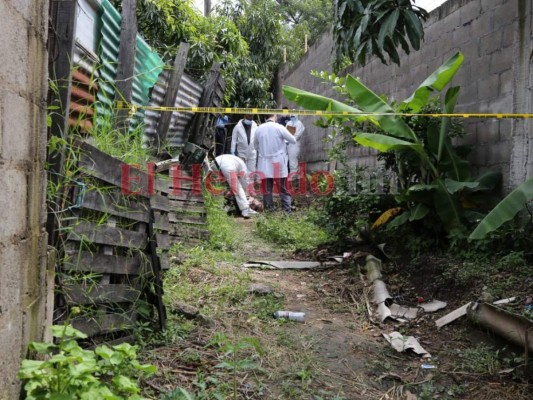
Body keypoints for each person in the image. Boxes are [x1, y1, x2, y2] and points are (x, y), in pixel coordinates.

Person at [254, 113, 296, 213]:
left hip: (264, 163)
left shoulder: (259, 129)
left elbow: (255, 146)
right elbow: (293, 140)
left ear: (265, 117)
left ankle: (269, 212)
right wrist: (284, 142)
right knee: (283, 188)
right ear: (275, 116)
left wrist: (265, 151)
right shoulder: (279, 127)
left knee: (267, 190)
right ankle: (287, 212)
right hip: (278, 163)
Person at [211, 154, 258, 218]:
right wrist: (246, 195)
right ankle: (246, 210)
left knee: (217, 187)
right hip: (226, 165)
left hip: (214, 163)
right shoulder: (243, 167)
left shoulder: (237, 162)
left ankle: (218, 207)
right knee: (237, 187)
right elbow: (244, 183)